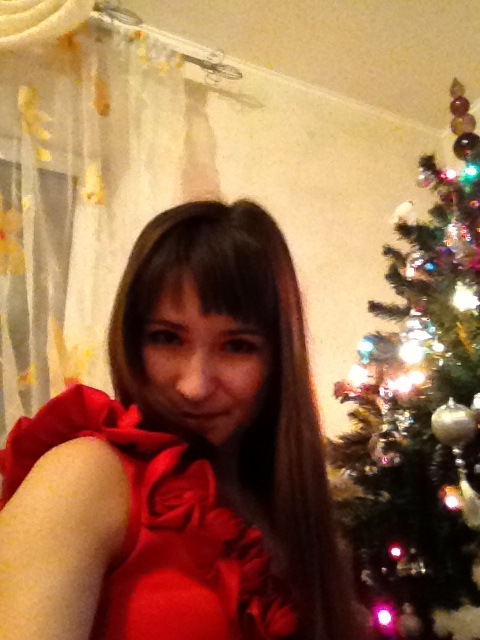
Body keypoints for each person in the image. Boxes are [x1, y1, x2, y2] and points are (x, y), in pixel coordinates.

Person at [0, 200, 365, 640]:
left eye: (237, 346)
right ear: (132, 340)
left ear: (278, 361)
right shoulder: (87, 474)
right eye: (167, 338)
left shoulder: (285, 507)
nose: (195, 386)